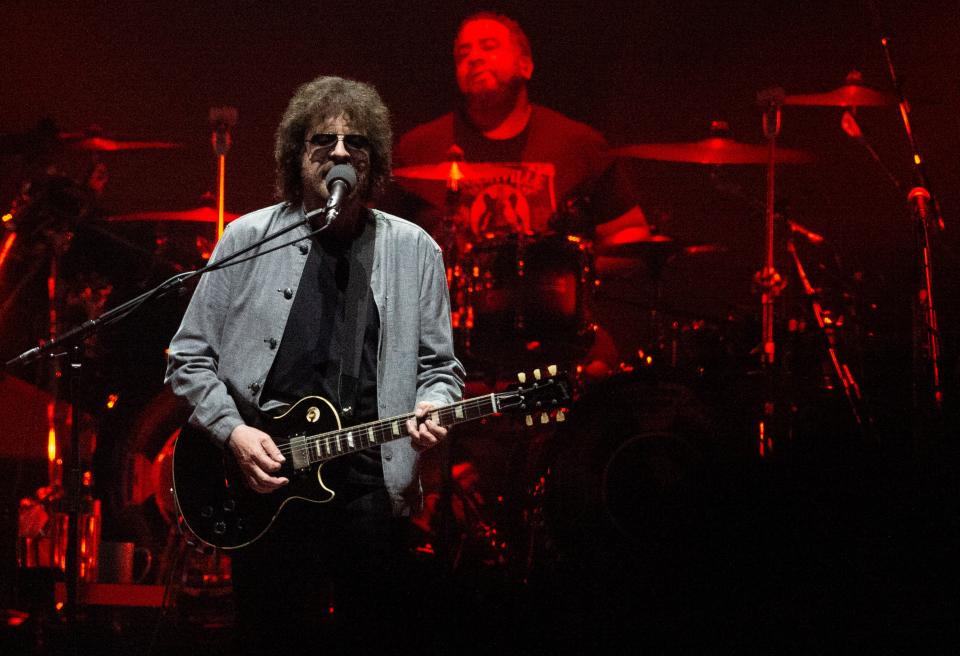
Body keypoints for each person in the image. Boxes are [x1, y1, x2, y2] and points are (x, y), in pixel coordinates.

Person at [165, 75, 465, 654]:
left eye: (357, 143)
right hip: (267, 485)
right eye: (322, 141)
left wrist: (437, 405)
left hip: (372, 489)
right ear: (295, 155)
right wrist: (233, 433)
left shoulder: (415, 250)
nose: (341, 152)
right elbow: (188, 356)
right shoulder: (248, 239)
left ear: (374, 161)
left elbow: (442, 370)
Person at [392, 11, 645, 379]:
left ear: (526, 66)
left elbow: (633, 237)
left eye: (489, 47)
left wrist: (575, 273)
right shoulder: (420, 148)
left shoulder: (577, 144)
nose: (473, 57)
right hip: (451, 340)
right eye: (463, 53)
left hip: (558, 336)